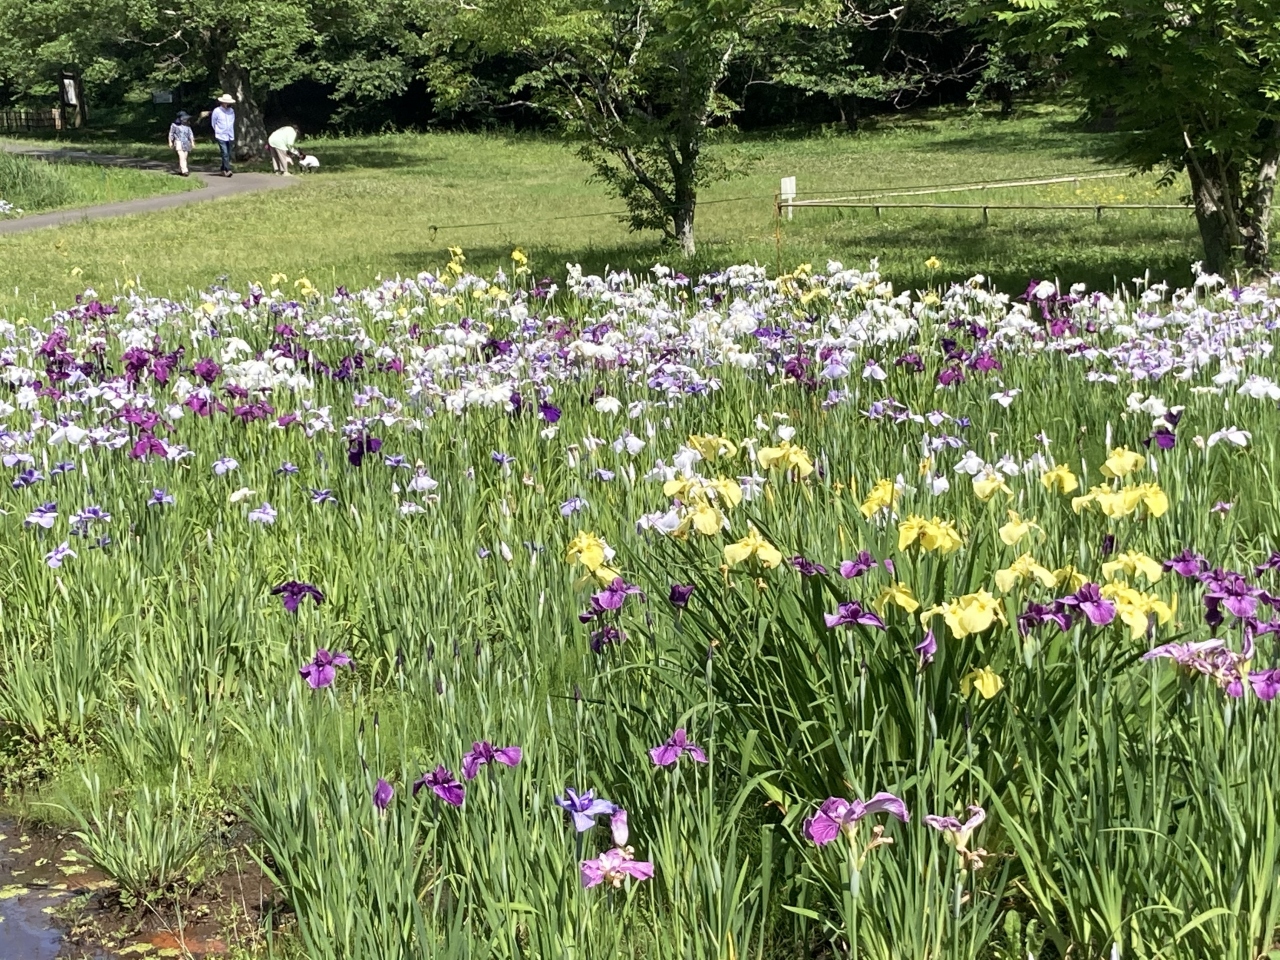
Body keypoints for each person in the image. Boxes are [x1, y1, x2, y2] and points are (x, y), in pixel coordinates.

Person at [211, 94, 236, 177]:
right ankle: (228, 169)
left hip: (230, 135)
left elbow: (232, 121)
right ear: (223, 102)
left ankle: (223, 169)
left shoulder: (231, 111)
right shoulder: (217, 111)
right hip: (220, 135)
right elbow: (213, 122)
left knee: (228, 153)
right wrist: (217, 130)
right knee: (224, 152)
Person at [168, 111, 195, 177]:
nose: (185, 119)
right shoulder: (174, 125)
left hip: (186, 143)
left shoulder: (187, 125)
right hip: (178, 142)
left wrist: (192, 142)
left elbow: (190, 134)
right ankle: (185, 171)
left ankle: (180, 170)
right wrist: (170, 142)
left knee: (184, 157)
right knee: (181, 156)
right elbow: (171, 133)